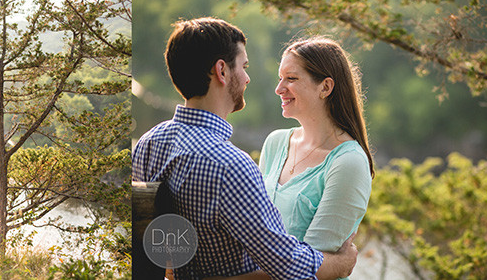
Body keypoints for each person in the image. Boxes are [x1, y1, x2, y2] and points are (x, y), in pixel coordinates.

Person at [131, 17, 357, 279]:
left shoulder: (148, 143)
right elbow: (287, 265)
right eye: (243, 66)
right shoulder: (230, 166)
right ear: (222, 71)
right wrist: (341, 264)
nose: (247, 77)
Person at [258, 37, 374, 279]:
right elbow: (254, 234)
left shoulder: (348, 163)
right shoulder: (275, 143)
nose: (279, 88)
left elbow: (309, 268)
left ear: (325, 87)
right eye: (280, 78)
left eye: (291, 79)